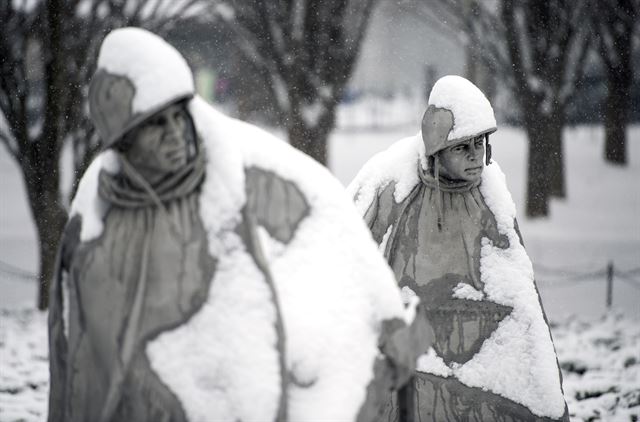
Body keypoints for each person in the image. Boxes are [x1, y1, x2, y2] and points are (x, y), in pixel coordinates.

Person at [47, 27, 429, 422]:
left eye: (180, 117)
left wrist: (386, 320)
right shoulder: (96, 219)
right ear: (124, 141)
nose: (177, 133)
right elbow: (75, 354)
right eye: (157, 125)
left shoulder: (243, 172)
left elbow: (331, 228)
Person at [348, 75, 570, 421]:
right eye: (461, 147)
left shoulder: (489, 194)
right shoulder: (395, 184)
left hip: (475, 336)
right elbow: (350, 244)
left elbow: (513, 282)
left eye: (479, 145)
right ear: (437, 149)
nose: (474, 157)